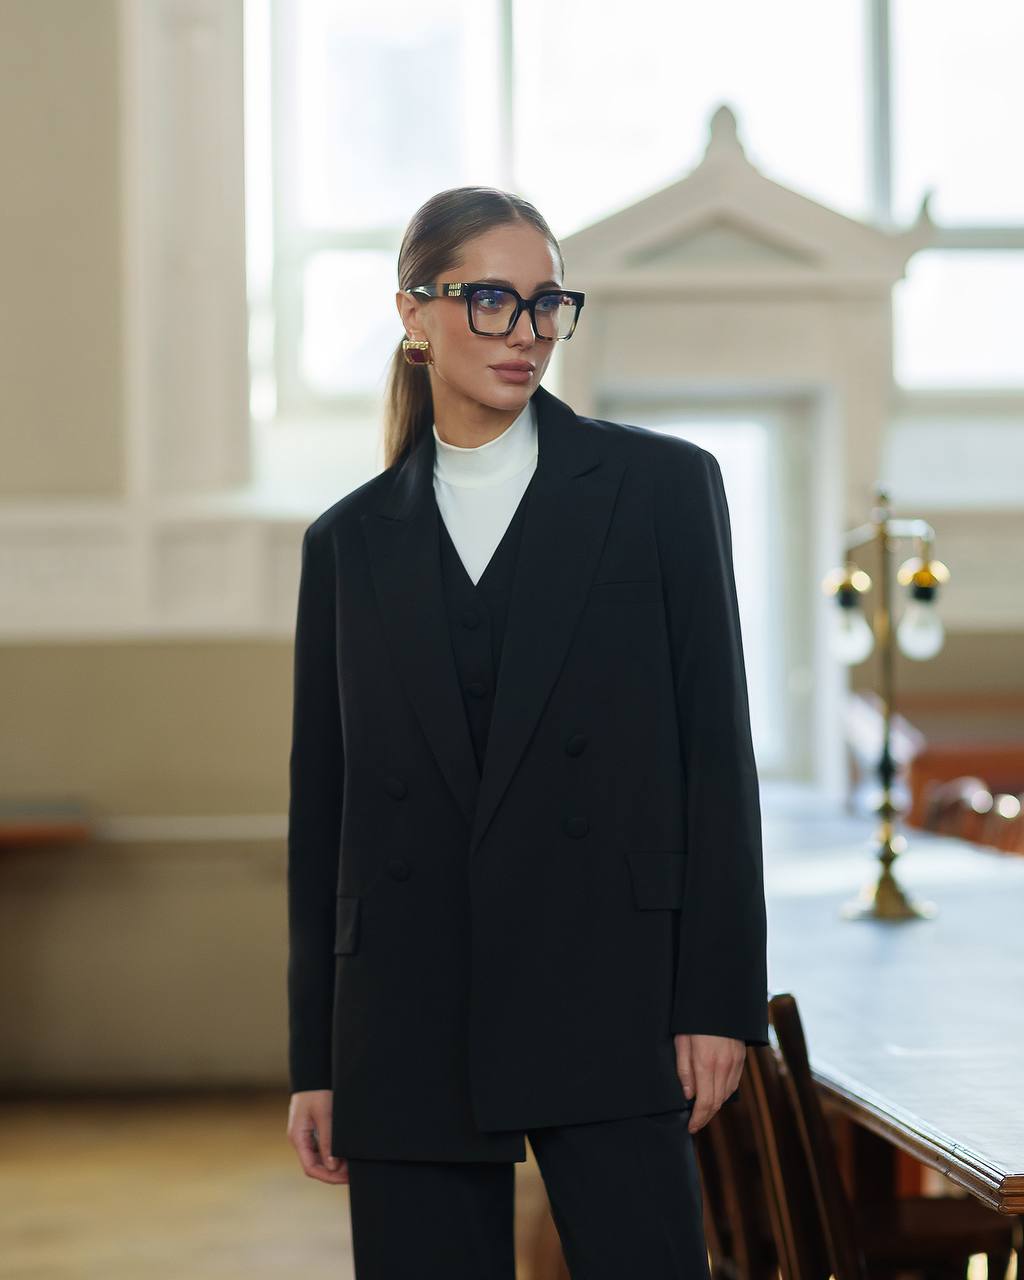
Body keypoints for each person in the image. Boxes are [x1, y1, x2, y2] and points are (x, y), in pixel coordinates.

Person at [285, 186, 768, 1279]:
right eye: (491, 300)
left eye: (546, 303)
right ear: (413, 312)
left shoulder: (659, 492)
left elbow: (714, 761)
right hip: (405, 1000)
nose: (525, 333)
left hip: (615, 985)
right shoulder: (348, 544)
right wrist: (317, 1057)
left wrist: (716, 1003)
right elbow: (328, 812)